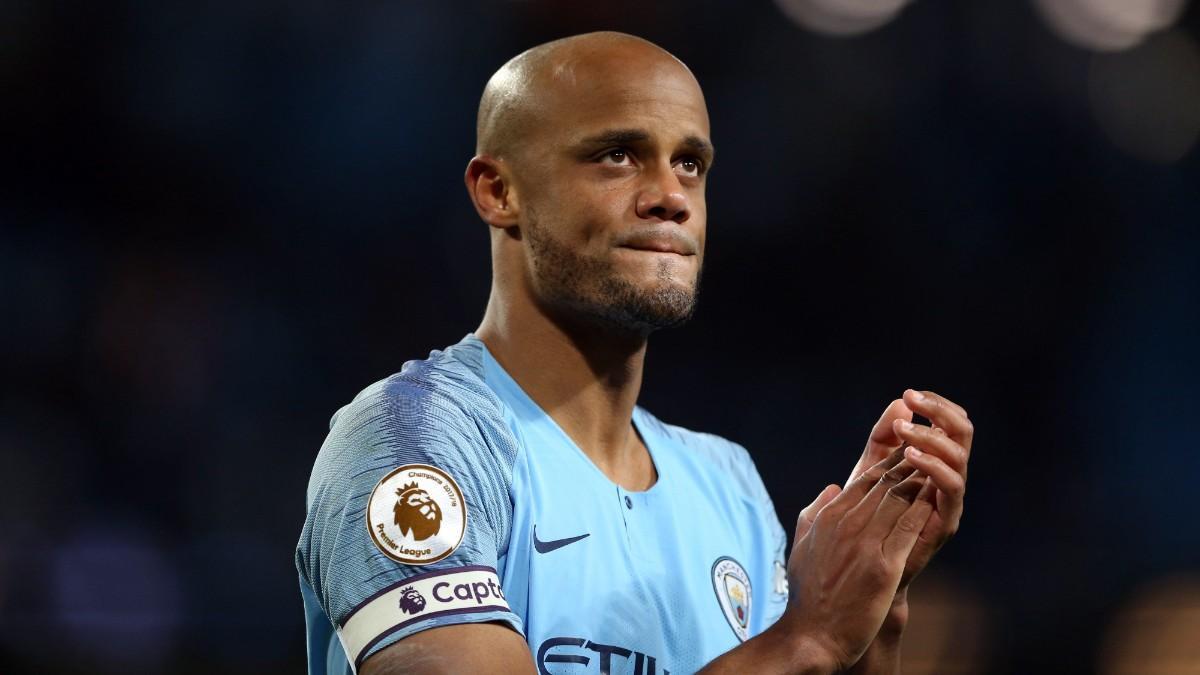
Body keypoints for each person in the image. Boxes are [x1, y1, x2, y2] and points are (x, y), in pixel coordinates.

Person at [295, 31, 973, 675]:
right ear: (499, 192)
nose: (671, 197)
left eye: (689, 163)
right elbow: (797, 650)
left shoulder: (727, 482)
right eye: (617, 155)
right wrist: (808, 634)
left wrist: (873, 597)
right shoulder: (415, 441)